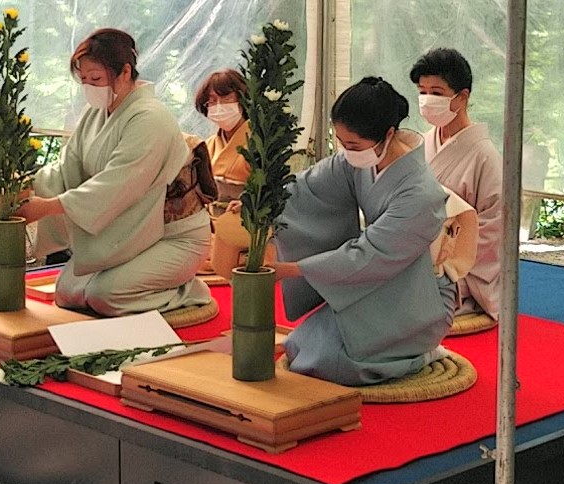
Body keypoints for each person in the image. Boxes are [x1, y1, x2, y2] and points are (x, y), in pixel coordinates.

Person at [271, 77, 455, 386]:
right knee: (301, 347)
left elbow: (369, 255)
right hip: (374, 281)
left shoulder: (420, 194)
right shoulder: (359, 160)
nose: (346, 152)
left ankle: (422, 353)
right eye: (341, 143)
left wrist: (292, 269)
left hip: (418, 293)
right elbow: (306, 189)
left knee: (335, 365)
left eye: (353, 145)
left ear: (389, 134)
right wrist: (263, 204)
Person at [16, 28, 212, 316]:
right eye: (84, 80)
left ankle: (186, 290)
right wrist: (27, 183)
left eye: (96, 79)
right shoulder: (95, 113)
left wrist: (48, 207)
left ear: (125, 72)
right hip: (132, 230)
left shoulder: (151, 117)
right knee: (68, 292)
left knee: (105, 295)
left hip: (173, 235)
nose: (89, 87)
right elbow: (68, 167)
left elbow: (119, 184)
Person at [410, 48, 502, 321]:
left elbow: (492, 229)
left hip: (456, 269)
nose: (427, 100)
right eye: (423, 92)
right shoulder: (421, 143)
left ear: (462, 97)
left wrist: (443, 258)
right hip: (412, 255)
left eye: (437, 93)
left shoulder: (486, 157)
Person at [195, 68, 252, 201]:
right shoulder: (207, 145)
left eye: (227, 99)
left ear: (242, 99)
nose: (219, 106)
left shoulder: (260, 141)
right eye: (212, 102)